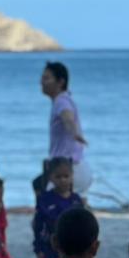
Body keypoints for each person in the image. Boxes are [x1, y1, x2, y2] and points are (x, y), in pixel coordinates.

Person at [40, 61, 92, 195]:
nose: (41, 82)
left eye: (46, 78)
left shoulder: (61, 101)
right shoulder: (65, 99)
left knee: (52, 208)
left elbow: (67, 118)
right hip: (77, 168)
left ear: (60, 82)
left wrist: (74, 132)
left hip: (67, 169)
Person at [32, 157, 83, 258]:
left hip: (73, 248)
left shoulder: (76, 200)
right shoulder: (45, 199)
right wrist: (38, 248)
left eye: (66, 176)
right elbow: (38, 225)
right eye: (58, 177)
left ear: (72, 176)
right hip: (51, 247)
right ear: (51, 177)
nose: (62, 180)